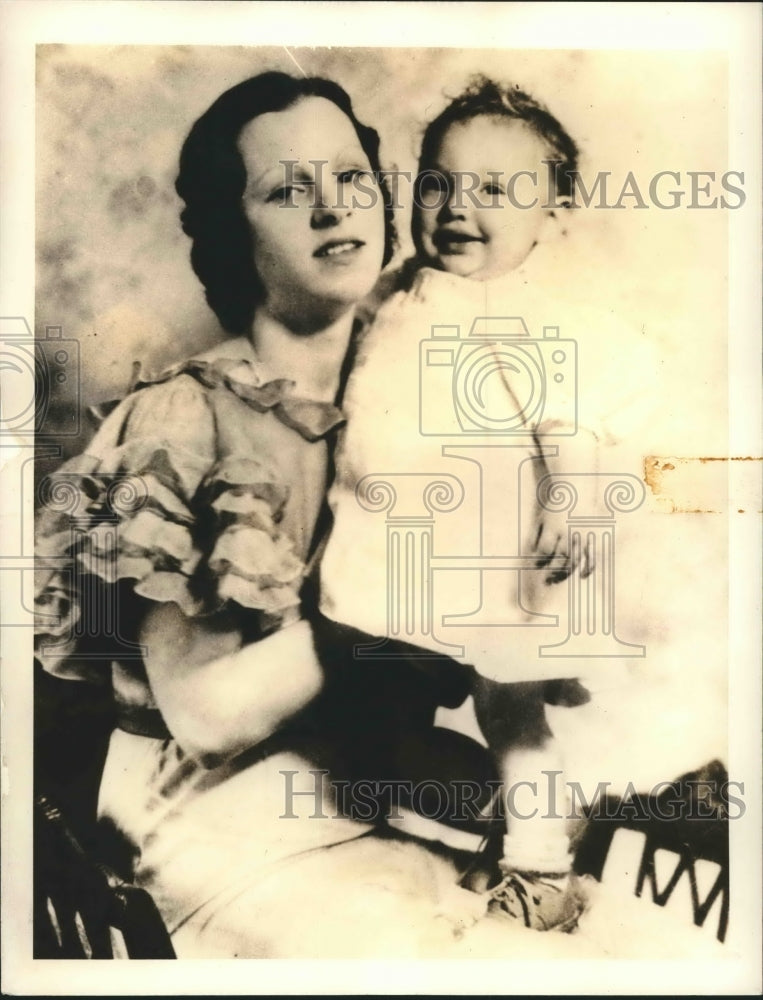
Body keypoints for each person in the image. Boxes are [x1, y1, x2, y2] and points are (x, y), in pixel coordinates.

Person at [32, 71, 493, 959]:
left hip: (374, 809)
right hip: (210, 836)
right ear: (233, 233)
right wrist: (393, 601)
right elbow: (205, 715)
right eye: (289, 189)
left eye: (351, 178)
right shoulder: (187, 416)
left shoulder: (402, 394)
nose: (332, 209)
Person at [319, 76, 601, 931]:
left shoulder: (523, 314)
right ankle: (499, 814)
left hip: (488, 556)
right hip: (391, 553)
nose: (453, 207)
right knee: (371, 710)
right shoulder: (400, 290)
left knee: (507, 711)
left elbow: (570, 421)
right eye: (436, 183)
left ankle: (541, 867)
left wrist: (573, 501)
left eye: (492, 192)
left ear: (551, 215)